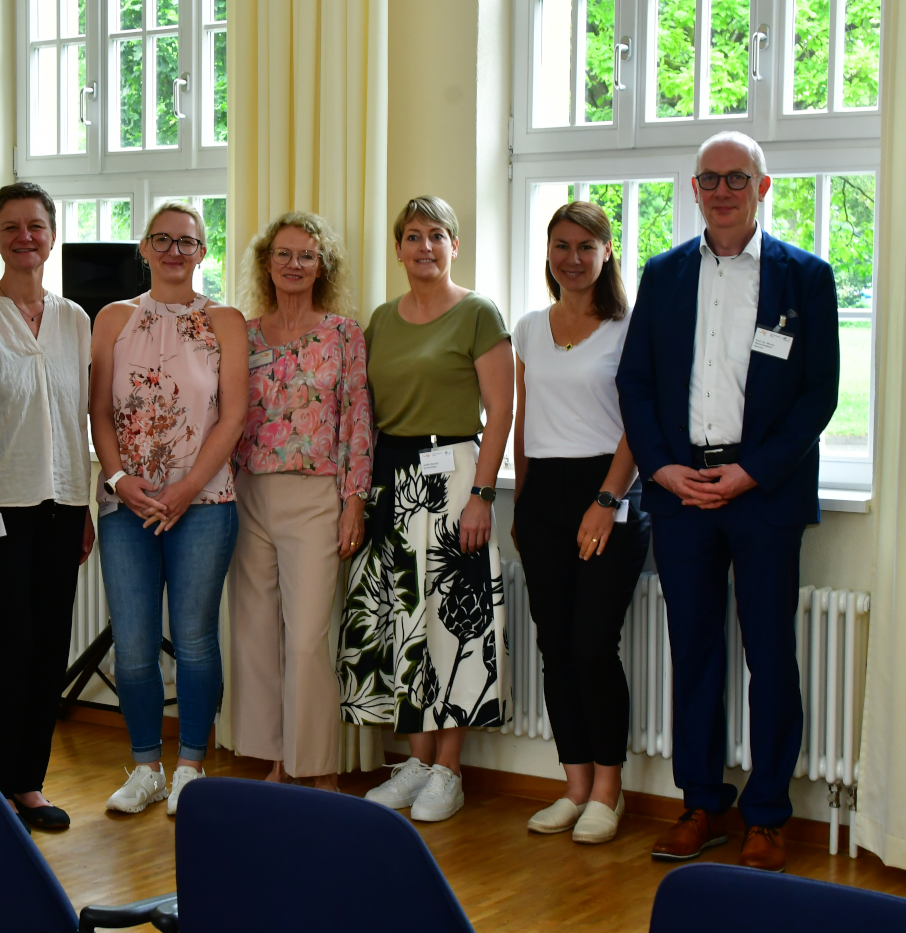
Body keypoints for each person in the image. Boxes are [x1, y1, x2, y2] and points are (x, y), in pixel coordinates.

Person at [617, 131, 840, 872]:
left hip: (762, 494)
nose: (721, 190)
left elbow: (818, 397)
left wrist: (752, 471)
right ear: (693, 187)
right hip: (681, 493)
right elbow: (637, 384)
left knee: (771, 652)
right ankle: (702, 801)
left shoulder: (806, 277)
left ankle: (768, 814)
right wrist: (663, 469)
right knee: (695, 650)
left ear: (763, 186)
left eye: (735, 177)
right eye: (709, 178)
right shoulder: (664, 272)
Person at [337, 196, 513, 822]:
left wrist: (482, 496)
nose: (425, 248)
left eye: (436, 236)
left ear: (454, 245)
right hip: (391, 480)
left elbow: (500, 416)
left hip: (454, 479)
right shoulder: (381, 320)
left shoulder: (478, 314)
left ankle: (449, 770)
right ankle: (414, 763)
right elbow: (363, 413)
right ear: (399, 249)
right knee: (402, 623)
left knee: (454, 625)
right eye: (412, 237)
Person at [0, 182, 94, 831]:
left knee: (48, 651)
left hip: (64, 506)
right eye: (12, 227)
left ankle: (30, 783)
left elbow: (77, 418)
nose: (25, 236)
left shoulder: (75, 319)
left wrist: (85, 503)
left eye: (36, 225)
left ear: (52, 234)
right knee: (5, 653)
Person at [90, 201, 248, 816]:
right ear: (145, 249)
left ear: (203, 251)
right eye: (162, 239)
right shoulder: (112, 319)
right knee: (131, 645)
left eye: (187, 241)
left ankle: (190, 768)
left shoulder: (226, 321)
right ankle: (145, 766)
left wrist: (185, 489)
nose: (175, 250)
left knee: (195, 641)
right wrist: (119, 478)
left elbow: (233, 415)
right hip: (127, 503)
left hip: (203, 503)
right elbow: (98, 410)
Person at [511, 201, 651, 845]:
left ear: (607, 253)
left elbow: (637, 428)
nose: (572, 258)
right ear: (548, 253)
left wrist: (606, 498)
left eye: (585, 247)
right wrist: (521, 498)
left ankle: (607, 789)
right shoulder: (531, 327)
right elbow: (523, 419)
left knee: (592, 646)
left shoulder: (629, 329)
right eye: (561, 246)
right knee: (554, 645)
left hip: (608, 490)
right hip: (543, 493)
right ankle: (573, 785)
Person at [229, 211, 371, 792]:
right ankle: (275, 760)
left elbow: (357, 418)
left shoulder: (344, 333)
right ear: (266, 263)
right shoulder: (242, 332)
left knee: (308, 636)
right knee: (256, 632)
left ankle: (320, 767)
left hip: (316, 495)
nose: (293, 264)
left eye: (306, 255)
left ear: (322, 266)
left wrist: (354, 501)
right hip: (247, 493)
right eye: (283, 254)